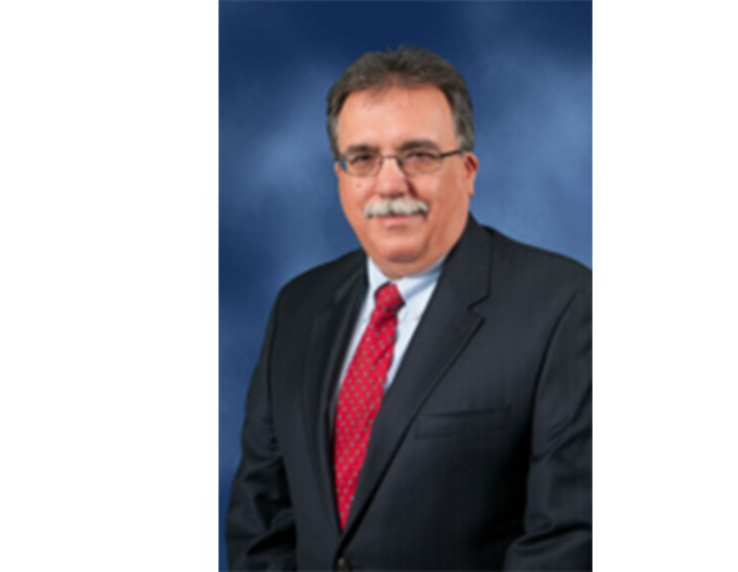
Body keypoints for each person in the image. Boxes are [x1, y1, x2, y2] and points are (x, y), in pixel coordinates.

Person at [226, 47, 591, 570]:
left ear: (467, 171)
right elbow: (260, 522)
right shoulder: (297, 307)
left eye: (418, 155)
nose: (390, 182)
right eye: (364, 158)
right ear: (341, 177)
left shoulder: (564, 306)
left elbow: (568, 540)